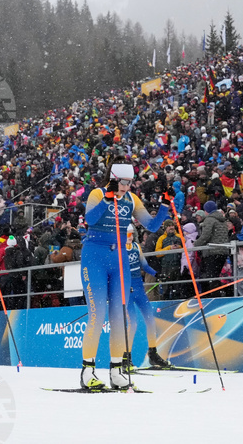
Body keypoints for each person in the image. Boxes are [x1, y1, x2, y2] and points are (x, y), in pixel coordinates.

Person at [79, 162, 169, 390]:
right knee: (97, 315)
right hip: (95, 258)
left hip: (119, 260)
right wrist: (107, 199)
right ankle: (87, 371)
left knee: (119, 317)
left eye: (129, 183)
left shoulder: (132, 199)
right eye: (122, 183)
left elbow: (152, 225)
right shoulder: (97, 194)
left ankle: (117, 370)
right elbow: (90, 220)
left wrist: (166, 205)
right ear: (112, 179)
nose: (126, 188)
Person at [124, 225, 171, 369]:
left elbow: (144, 265)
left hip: (139, 288)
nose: (130, 236)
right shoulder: (118, 249)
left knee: (150, 320)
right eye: (127, 234)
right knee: (133, 324)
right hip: (127, 290)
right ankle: (126, 358)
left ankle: (153, 354)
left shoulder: (137, 247)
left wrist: (157, 274)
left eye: (131, 233)